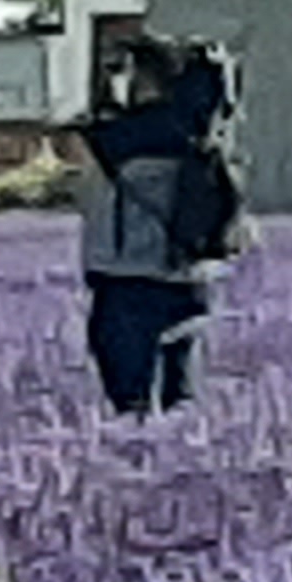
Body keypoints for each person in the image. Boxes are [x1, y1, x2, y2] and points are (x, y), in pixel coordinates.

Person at [68, 38, 247, 416]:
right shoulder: (200, 135)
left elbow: (88, 145)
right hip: (188, 277)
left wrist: (104, 97)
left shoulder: (132, 137)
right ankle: (176, 463)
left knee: (129, 399)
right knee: (177, 401)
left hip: (129, 279)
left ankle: (137, 464)